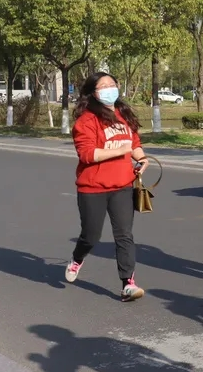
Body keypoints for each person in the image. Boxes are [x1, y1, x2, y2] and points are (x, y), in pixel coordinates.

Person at [65, 72, 151, 302]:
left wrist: (142, 159)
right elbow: (87, 154)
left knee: (124, 235)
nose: (109, 89)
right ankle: (77, 258)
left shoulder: (123, 114)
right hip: (92, 188)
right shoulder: (86, 121)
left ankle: (128, 284)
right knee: (91, 236)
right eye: (102, 86)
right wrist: (119, 151)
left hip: (122, 185)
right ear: (93, 93)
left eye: (112, 85)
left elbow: (134, 143)